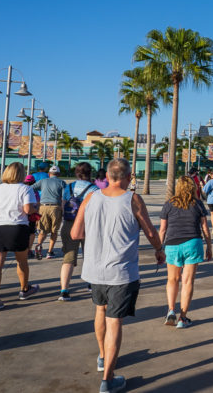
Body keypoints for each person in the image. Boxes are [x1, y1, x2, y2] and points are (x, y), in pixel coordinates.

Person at [71, 158, 165, 393]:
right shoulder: (132, 199)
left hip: (94, 269)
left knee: (100, 311)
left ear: (108, 176)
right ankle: (108, 379)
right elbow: (150, 231)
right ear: (128, 176)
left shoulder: (91, 197)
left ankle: (103, 357)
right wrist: (159, 250)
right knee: (115, 322)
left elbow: (75, 233)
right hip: (121, 271)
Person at [0, 162, 40, 312]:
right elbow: (27, 209)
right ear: (21, 174)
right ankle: (24, 290)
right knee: (22, 261)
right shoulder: (26, 188)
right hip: (18, 227)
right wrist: (35, 208)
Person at [159, 176, 212, 328]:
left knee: (172, 280)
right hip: (192, 244)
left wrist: (158, 248)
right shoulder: (198, 204)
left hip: (172, 245)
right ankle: (183, 318)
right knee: (187, 282)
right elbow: (205, 228)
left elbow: (162, 229)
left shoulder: (168, 204)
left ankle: (170, 310)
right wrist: (209, 247)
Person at [59, 162, 99, 301]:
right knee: (89, 255)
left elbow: (63, 206)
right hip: (88, 225)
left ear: (76, 173)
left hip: (69, 224)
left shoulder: (68, 187)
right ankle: (90, 284)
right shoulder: (94, 189)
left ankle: (64, 290)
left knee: (68, 257)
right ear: (90, 173)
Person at [33, 165, 67, 259]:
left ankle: (39, 245)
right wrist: (63, 210)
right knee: (54, 231)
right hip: (56, 208)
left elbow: (31, 188)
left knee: (43, 230)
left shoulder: (43, 181)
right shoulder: (62, 183)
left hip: (43, 207)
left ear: (49, 174)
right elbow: (64, 198)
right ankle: (49, 252)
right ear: (58, 174)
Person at [24, 175, 42, 259]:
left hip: (22, 213)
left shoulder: (22, 189)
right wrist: (37, 211)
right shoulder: (34, 191)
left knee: (23, 231)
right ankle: (28, 250)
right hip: (31, 213)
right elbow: (38, 203)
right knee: (31, 232)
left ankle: (23, 249)